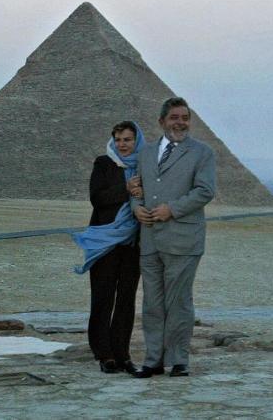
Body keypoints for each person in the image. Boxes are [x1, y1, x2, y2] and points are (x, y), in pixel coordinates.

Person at [131, 97, 216, 378]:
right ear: (161, 121)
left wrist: (172, 210)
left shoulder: (201, 153)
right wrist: (137, 209)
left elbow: (205, 191)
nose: (180, 122)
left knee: (178, 302)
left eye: (185, 117)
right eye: (174, 117)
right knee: (152, 304)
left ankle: (179, 361)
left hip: (183, 239)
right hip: (150, 238)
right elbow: (138, 188)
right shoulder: (146, 152)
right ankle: (153, 360)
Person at [72, 121, 146, 374]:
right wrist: (126, 189)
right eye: (119, 140)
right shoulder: (103, 163)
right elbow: (97, 198)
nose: (122, 145)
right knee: (103, 298)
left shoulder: (144, 166)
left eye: (128, 139)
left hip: (133, 242)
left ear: (137, 140)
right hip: (104, 241)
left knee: (126, 300)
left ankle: (123, 353)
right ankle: (104, 354)